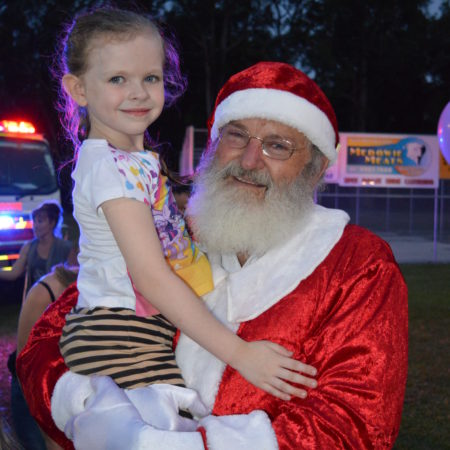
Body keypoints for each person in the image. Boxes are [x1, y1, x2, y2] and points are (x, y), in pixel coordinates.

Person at [18, 62, 408, 449]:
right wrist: (92, 410)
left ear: (315, 168)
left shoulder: (356, 265)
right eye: (236, 136)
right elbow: (46, 341)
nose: (249, 161)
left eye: (277, 146)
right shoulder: (168, 232)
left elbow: (354, 425)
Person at [36, 6, 316, 439]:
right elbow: (151, 277)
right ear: (79, 89)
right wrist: (242, 355)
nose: (138, 93)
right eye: (117, 79)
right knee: (153, 437)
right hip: (121, 336)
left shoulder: (130, 160)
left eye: (150, 77)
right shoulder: (112, 169)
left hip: (133, 329)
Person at [2, 201, 76, 450]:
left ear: (52, 223)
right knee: (24, 360)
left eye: (41, 220)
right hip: (35, 309)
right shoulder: (29, 247)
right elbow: (15, 273)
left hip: (56, 316)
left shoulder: (65, 248)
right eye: (35, 220)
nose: (36, 225)